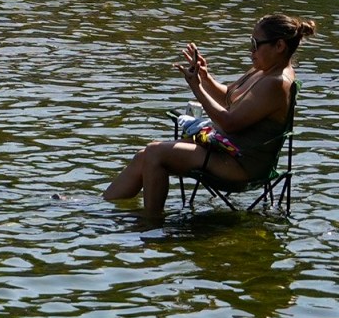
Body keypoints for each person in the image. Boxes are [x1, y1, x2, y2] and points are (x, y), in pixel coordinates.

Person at [103, 14, 312, 224]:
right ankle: (101, 210)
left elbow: (230, 121)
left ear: (279, 46)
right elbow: (229, 97)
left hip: (240, 166)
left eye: (255, 44)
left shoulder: (276, 83)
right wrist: (205, 77)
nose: (251, 51)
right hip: (225, 150)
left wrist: (197, 88)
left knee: (155, 153)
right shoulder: (263, 71)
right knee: (144, 156)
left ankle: (151, 223)